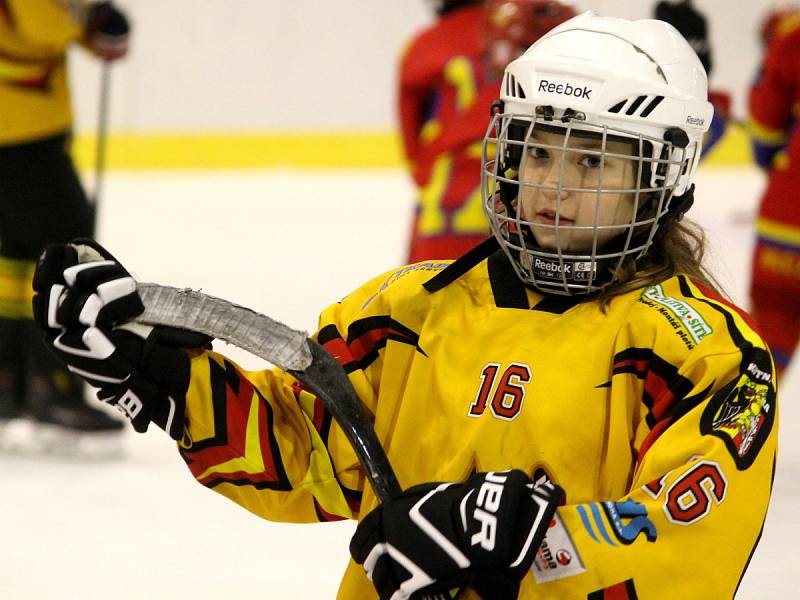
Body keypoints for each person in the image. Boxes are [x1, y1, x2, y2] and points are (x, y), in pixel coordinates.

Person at [32, 13, 777, 599]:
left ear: (666, 175)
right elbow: (308, 450)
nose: (553, 184)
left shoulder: (702, 354)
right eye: (538, 150)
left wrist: (528, 540)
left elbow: (691, 535)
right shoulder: (413, 308)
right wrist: (166, 377)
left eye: (593, 160)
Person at [0, 0, 130, 454]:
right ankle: (53, 384)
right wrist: (90, 18)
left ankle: (9, 381)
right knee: (66, 252)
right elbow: (39, 20)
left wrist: (88, 26)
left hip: (17, 121)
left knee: (15, 257)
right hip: (23, 126)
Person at [400, 0, 575, 263]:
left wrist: (430, 173)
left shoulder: (424, 42)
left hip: (442, 207)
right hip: (528, 201)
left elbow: (412, 145)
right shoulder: (558, 29)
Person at [747, 7, 800, 379]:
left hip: (790, 214)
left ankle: (745, 432)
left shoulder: (792, 35)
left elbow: (765, 126)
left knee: (768, 340)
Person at [653, 0, 731, 158]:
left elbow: (706, 60)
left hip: (692, 86)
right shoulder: (668, 14)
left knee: (717, 127)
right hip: (671, 85)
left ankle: (690, 162)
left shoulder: (698, 20)